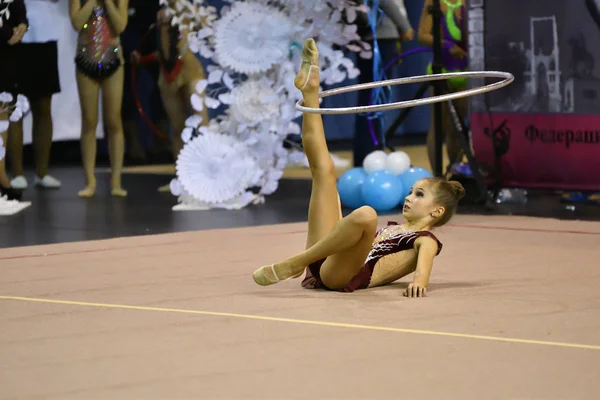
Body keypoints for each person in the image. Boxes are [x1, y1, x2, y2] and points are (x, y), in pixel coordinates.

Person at [252, 38, 465, 297]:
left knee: (366, 214)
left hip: (343, 276)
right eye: (411, 191)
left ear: (437, 212)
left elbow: (423, 270)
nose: (408, 197)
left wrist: (419, 281)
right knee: (324, 172)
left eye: (419, 195)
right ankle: (311, 91)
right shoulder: (394, 227)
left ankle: (296, 261)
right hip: (328, 260)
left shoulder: (425, 240)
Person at [131, 0, 209, 191]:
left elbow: (206, 28)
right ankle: (181, 178)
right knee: (177, 126)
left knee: (201, 121)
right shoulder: (159, 15)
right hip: (167, 75)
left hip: (191, 71)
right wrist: (142, 58)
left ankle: (210, 174)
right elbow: (162, 51)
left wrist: (195, 15)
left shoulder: (189, 10)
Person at [68, 0, 129, 197]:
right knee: (89, 120)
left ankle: (116, 180)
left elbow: (120, 26)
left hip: (112, 60)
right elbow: (77, 23)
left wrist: (109, 3)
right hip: (86, 61)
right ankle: (90, 180)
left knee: (114, 120)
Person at [8, 0, 62, 191]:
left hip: (46, 35)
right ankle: (17, 173)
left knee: (43, 107)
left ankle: (42, 173)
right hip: (15, 35)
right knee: (15, 108)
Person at [418, 0, 468, 174]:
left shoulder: (469, 4)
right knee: (439, 127)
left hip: (466, 72)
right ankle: (437, 177)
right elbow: (422, 35)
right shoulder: (434, 2)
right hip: (442, 71)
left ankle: (454, 172)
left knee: (459, 127)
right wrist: (448, 46)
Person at [0, 0, 29, 200]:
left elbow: (19, 10)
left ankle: (1, 176)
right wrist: (7, 34)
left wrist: (22, 25)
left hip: (6, 57)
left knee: (2, 116)